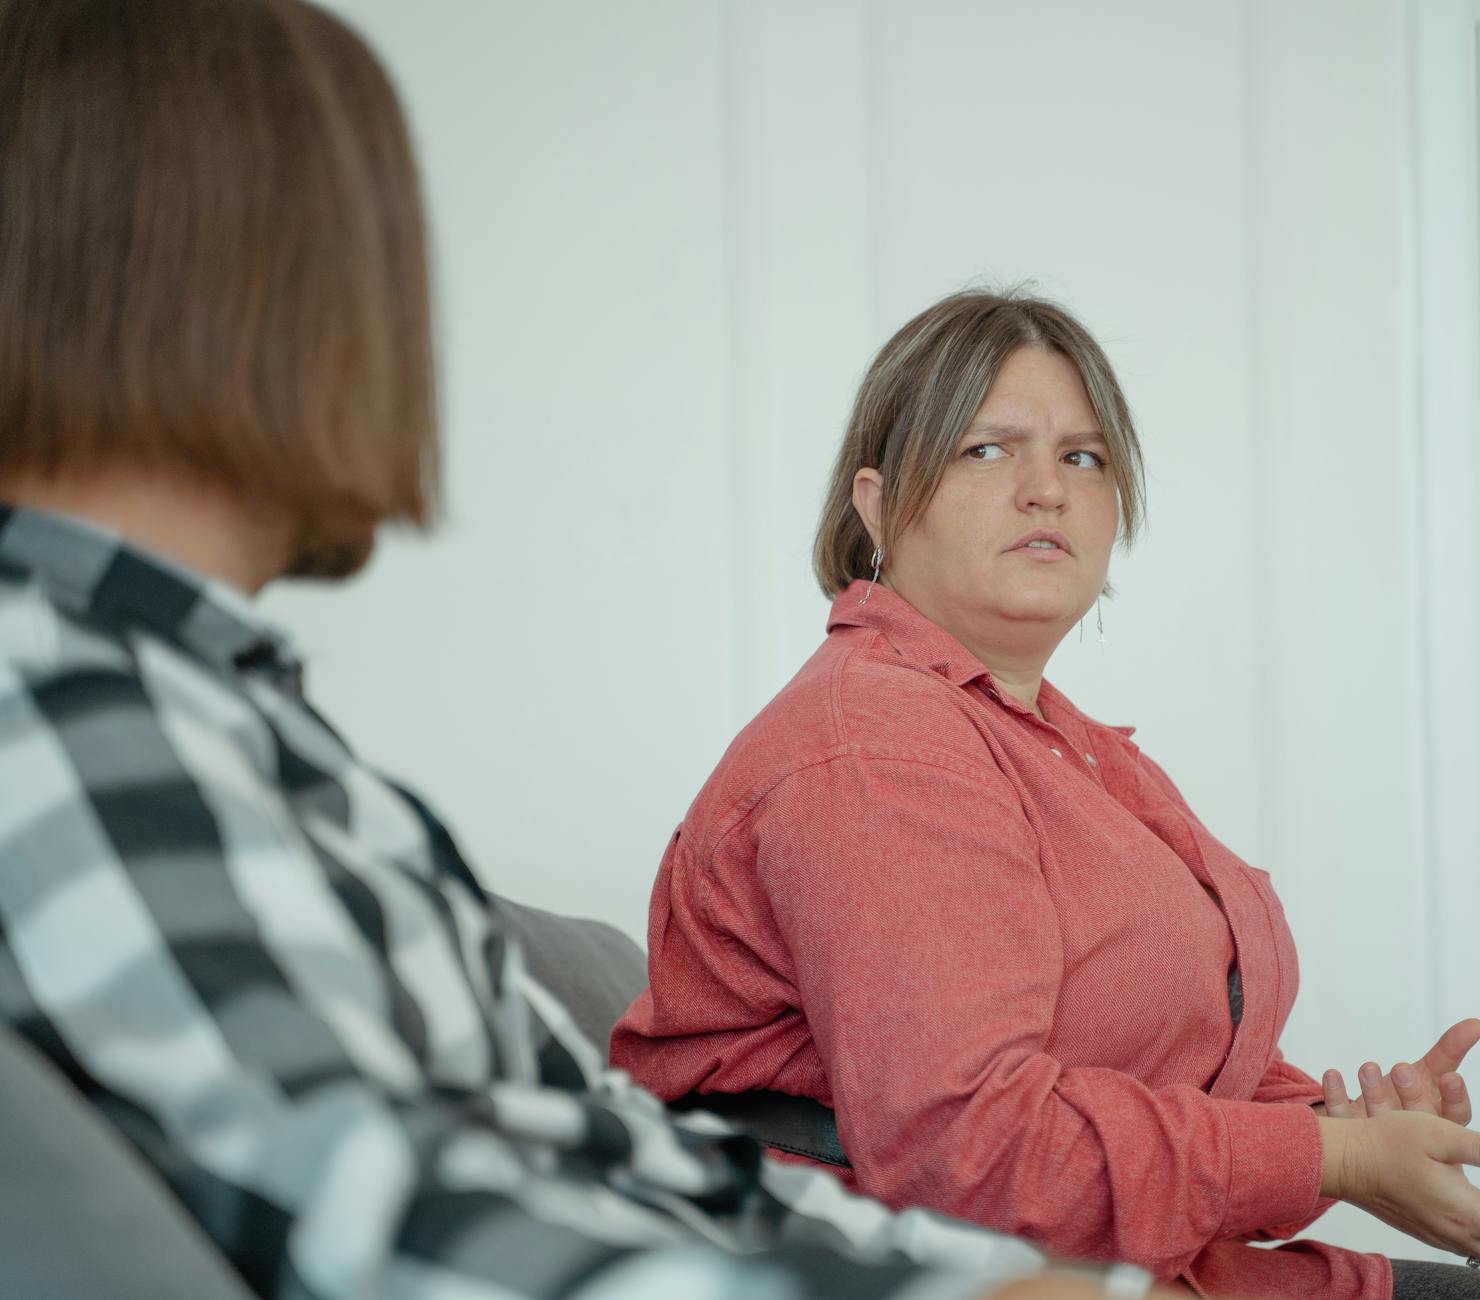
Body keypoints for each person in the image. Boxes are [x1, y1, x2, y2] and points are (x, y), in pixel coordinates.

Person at [0, 4, 1164, 1298]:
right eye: (373, 259)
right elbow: (380, 1218)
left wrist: (992, 1278)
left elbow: (626, 1160)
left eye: (1080, 457)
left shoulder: (213, 711)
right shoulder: (62, 703)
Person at [612, 289, 1480, 1299]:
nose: (1048, 489)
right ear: (874, 503)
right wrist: (1329, 1162)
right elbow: (969, 1155)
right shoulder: (877, 742)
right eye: (987, 450)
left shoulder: (1064, 748)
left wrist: (1351, 1131)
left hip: (1124, 1258)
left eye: (1083, 458)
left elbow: (1169, 1064)